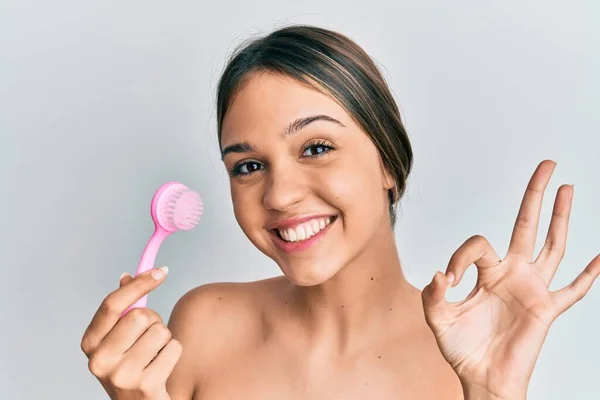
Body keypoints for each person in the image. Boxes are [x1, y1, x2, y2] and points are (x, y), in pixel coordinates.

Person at [80, 25, 600, 399]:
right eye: (249, 165)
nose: (279, 195)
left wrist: (492, 393)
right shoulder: (203, 325)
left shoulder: (464, 360)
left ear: (388, 164)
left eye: (316, 148)